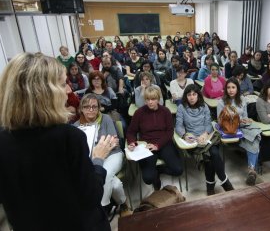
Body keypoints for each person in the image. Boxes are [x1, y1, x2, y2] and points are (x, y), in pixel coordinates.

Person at [0, 52, 115, 231]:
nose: (69, 90)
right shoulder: (69, 138)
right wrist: (98, 159)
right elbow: (91, 196)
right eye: (63, 84)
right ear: (44, 93)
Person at [74, 94, 132, 216]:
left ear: (99, 108)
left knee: (104, 174)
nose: (91, 110)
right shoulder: (76, 127)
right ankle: (123, 202)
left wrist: (101, 150)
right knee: (115, 184)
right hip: (91, 161)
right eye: (87, 107)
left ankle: (102, 209)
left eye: (94, 107)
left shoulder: (105, 118)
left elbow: (114, 143)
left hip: (113, 155)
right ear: (81, 109)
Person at [175, 84, 234, 195]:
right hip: (193, 141)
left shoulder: (204, 106)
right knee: (209, 157)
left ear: (198, 95)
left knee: (214, 153)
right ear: (186, 96)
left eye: (194, 94)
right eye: (189, 95)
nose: (191, 97)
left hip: (206, 137)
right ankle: (223, 183)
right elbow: (178, 126)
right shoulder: (181, 107)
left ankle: (212, 186)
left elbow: (208, 123)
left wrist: (206, 133)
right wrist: (184, 135)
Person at [126, 86, 183, 190]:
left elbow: (170, 131)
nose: (150, 102)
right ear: (145, 100)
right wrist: (132, 142)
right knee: (148, 179)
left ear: (158, 99)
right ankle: (155, 176)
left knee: (178, 170)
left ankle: (159, 170)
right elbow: (131, 131)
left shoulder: (165, 111)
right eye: (147, 99)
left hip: (164, 143)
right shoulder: (139, 113)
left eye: (153, 99)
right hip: (147, 145)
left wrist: (158, 145)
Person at [217, 78, 261, 185]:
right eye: (228, 87)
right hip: (229, 129)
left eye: (233, 87)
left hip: (242, 126)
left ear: (237, 88)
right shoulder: (221, 102)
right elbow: (220, 121)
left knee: (256, 136)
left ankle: (251, 170)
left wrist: (246, 119)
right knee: (254, 140)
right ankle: (252, 169)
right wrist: (235, 119)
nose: (231, 90)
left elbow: (244, 115)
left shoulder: (242, 100)